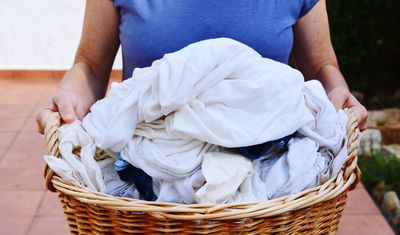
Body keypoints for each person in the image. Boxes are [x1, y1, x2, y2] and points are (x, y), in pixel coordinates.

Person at [36, 0, 368, 133]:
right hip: (148, 205)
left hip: (267, 207)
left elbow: (321, 66)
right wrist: (70, 95)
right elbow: (91, 66)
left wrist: (336, 91)